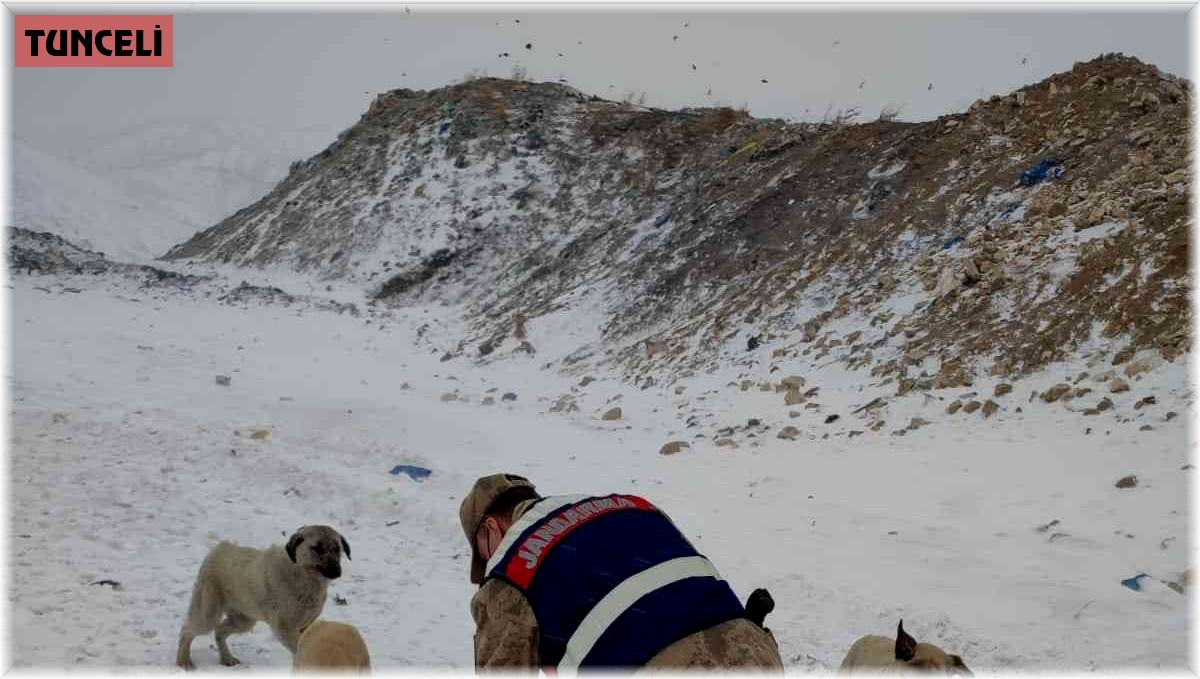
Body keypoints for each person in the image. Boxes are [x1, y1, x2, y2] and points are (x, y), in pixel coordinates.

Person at [459, 473, 784, 672]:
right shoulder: (631, 505)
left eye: (484, 553)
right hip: (754, 652)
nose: (490, 562)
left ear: (491, 527)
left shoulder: (511, 572)